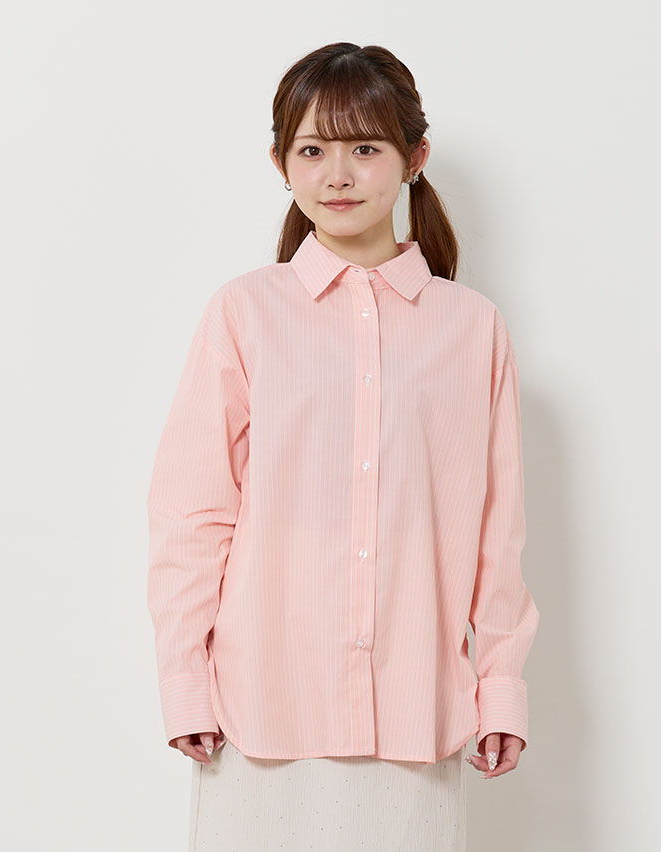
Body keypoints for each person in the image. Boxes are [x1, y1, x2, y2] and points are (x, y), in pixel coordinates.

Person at [146, 41, 540, 852]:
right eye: (312, 150)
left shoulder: (473, 329)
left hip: (416, 719)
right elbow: (192, 515)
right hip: (257, 717)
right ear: (280, 163)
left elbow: (496, 534)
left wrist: (500, 685)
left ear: (414, 158)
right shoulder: (244, 314)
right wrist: (186, 680)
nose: (337, 175)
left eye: (365, 149)